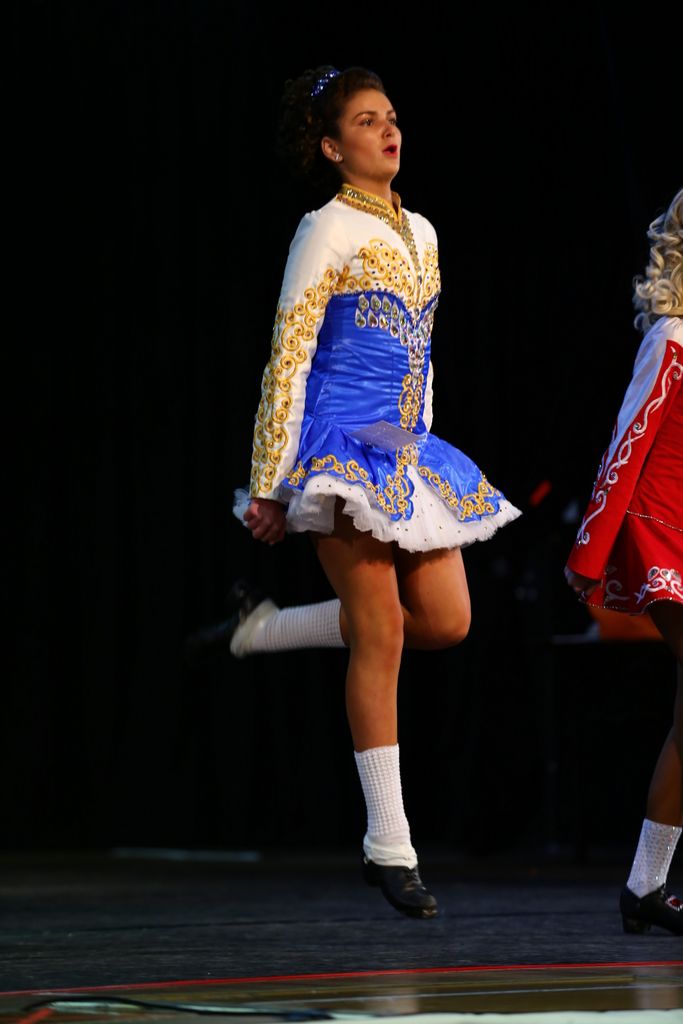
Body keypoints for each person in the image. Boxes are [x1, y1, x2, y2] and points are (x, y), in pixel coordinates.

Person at [206, 65, 521, 918]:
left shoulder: (422, 230)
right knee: (380, 628)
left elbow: (422, 353)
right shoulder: (325, 228)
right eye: (366, 121)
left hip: (400, 447)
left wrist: (424, 452)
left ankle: (266, 629)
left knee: (445, 622)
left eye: (391, 117)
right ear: (330, 146)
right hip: (337, 444)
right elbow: (290, 351)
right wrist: (271, 484)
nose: (388, 131)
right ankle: (389, 843)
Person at [564, 186, 683, 935]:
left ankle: (645, 886)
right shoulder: (672, 335)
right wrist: (590, 551)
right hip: (660, 529)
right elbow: (626, 442)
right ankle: (645, 884)